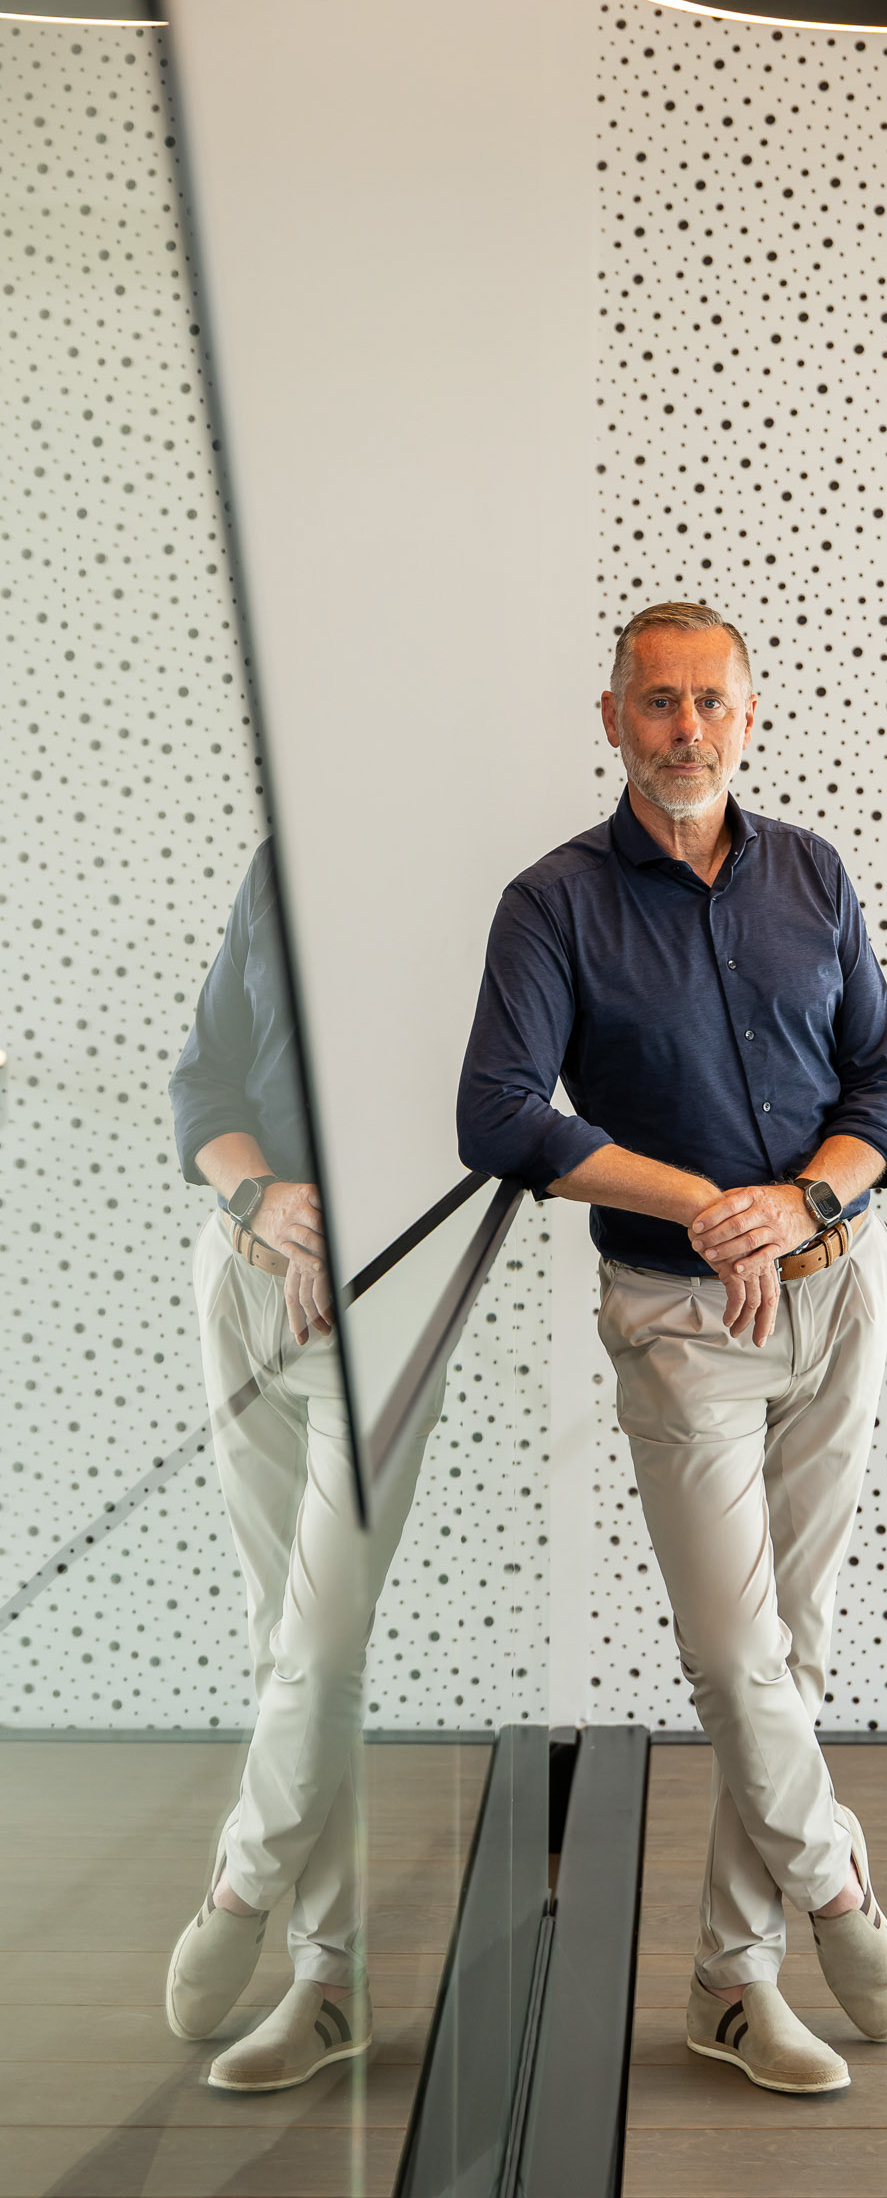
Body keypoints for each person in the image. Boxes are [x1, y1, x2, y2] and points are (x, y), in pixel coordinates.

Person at [457, 600, 887, 2096]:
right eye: (657, 702)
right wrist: (709, 1209)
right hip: (681, 1323)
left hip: (839, 1291)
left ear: (750, 713)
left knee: (796, 1645)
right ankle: (833, 1881)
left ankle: (734, 1980)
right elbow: (500, 1114)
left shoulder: (814, 873)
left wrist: (800, 1203)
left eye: (711, 700)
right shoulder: (553, 904)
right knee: (734, 1657)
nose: (686, 729)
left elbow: (885, 1086)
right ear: (611, 719)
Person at [165, 840, 442, 2093]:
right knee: (280, 1632)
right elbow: (204, 1080)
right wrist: (260, 1201)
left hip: (379, 1306)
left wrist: (350, 1220)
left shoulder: (486, 884)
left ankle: (242, 1885)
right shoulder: (283, 863)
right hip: (242, 1283)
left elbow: (494, 1119)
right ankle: (329, 1983)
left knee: (322, 1643)